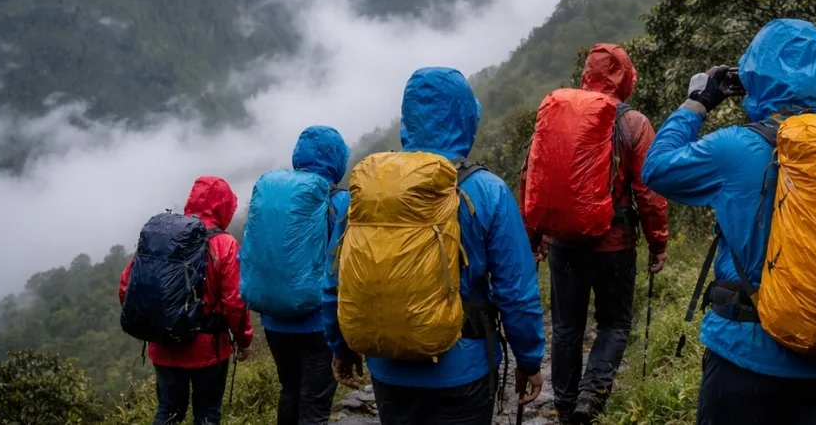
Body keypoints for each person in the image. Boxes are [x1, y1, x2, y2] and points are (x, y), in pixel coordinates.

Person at [641, 19, 816, 425]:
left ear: (754, 75)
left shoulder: (736, 147)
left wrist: (699, 101)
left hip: (747, 356)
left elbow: (656, 168)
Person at [325, 67, 546, 425]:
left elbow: (336, 280)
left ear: (408, 119)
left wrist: (341, 347)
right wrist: (529, 359)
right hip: (464, 369)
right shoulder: (487, 190)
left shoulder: (370, 189)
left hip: (389, 368)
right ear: (467, 116)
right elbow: (516, 291)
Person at [519, 43, 669, 424]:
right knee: (615, 323)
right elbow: (649, 191)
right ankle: (592, 397)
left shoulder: (558, 115)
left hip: (562, 242)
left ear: (588, 74)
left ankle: (565, 407)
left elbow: (532, 177)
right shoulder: (634, 123)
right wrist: (658, 243)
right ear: (625, 76)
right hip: (614, 244)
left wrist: (534, 238)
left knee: (566, 328)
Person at [119, 176, 253, 425]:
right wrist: (244, 340)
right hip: (208, 348)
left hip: (164, 345)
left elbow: (126, 286)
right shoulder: (224, 244)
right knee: (207, 414)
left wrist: (156, 320)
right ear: (224, 206)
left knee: (169, 412)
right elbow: (235, 302)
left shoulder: (164, 238)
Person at [259, 126, 350, 425]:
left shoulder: (275, 199)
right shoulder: (340, 202)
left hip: (274, 319)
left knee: (290, 392)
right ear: (337, 159)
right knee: (315, 405)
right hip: (318, 322)